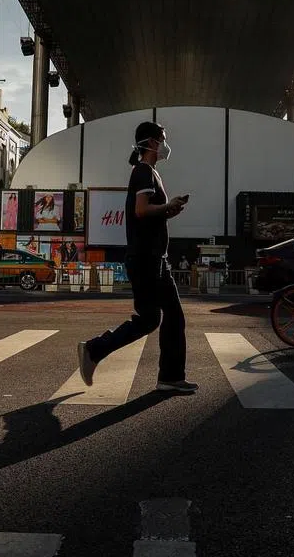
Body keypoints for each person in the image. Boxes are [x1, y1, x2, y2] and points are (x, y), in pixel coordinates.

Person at [78, 121, 195, 394]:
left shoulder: (149, 172)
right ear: (153, 142)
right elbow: (141, 211)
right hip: (147, 258)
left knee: (159, 317)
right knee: (163, 318)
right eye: (163, 139)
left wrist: (169, 211)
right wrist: (168, 206)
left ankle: (99, 351)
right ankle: (167, 376)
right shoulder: (143, 171)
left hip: (153, 258)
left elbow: (146, 212)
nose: (166, 144)